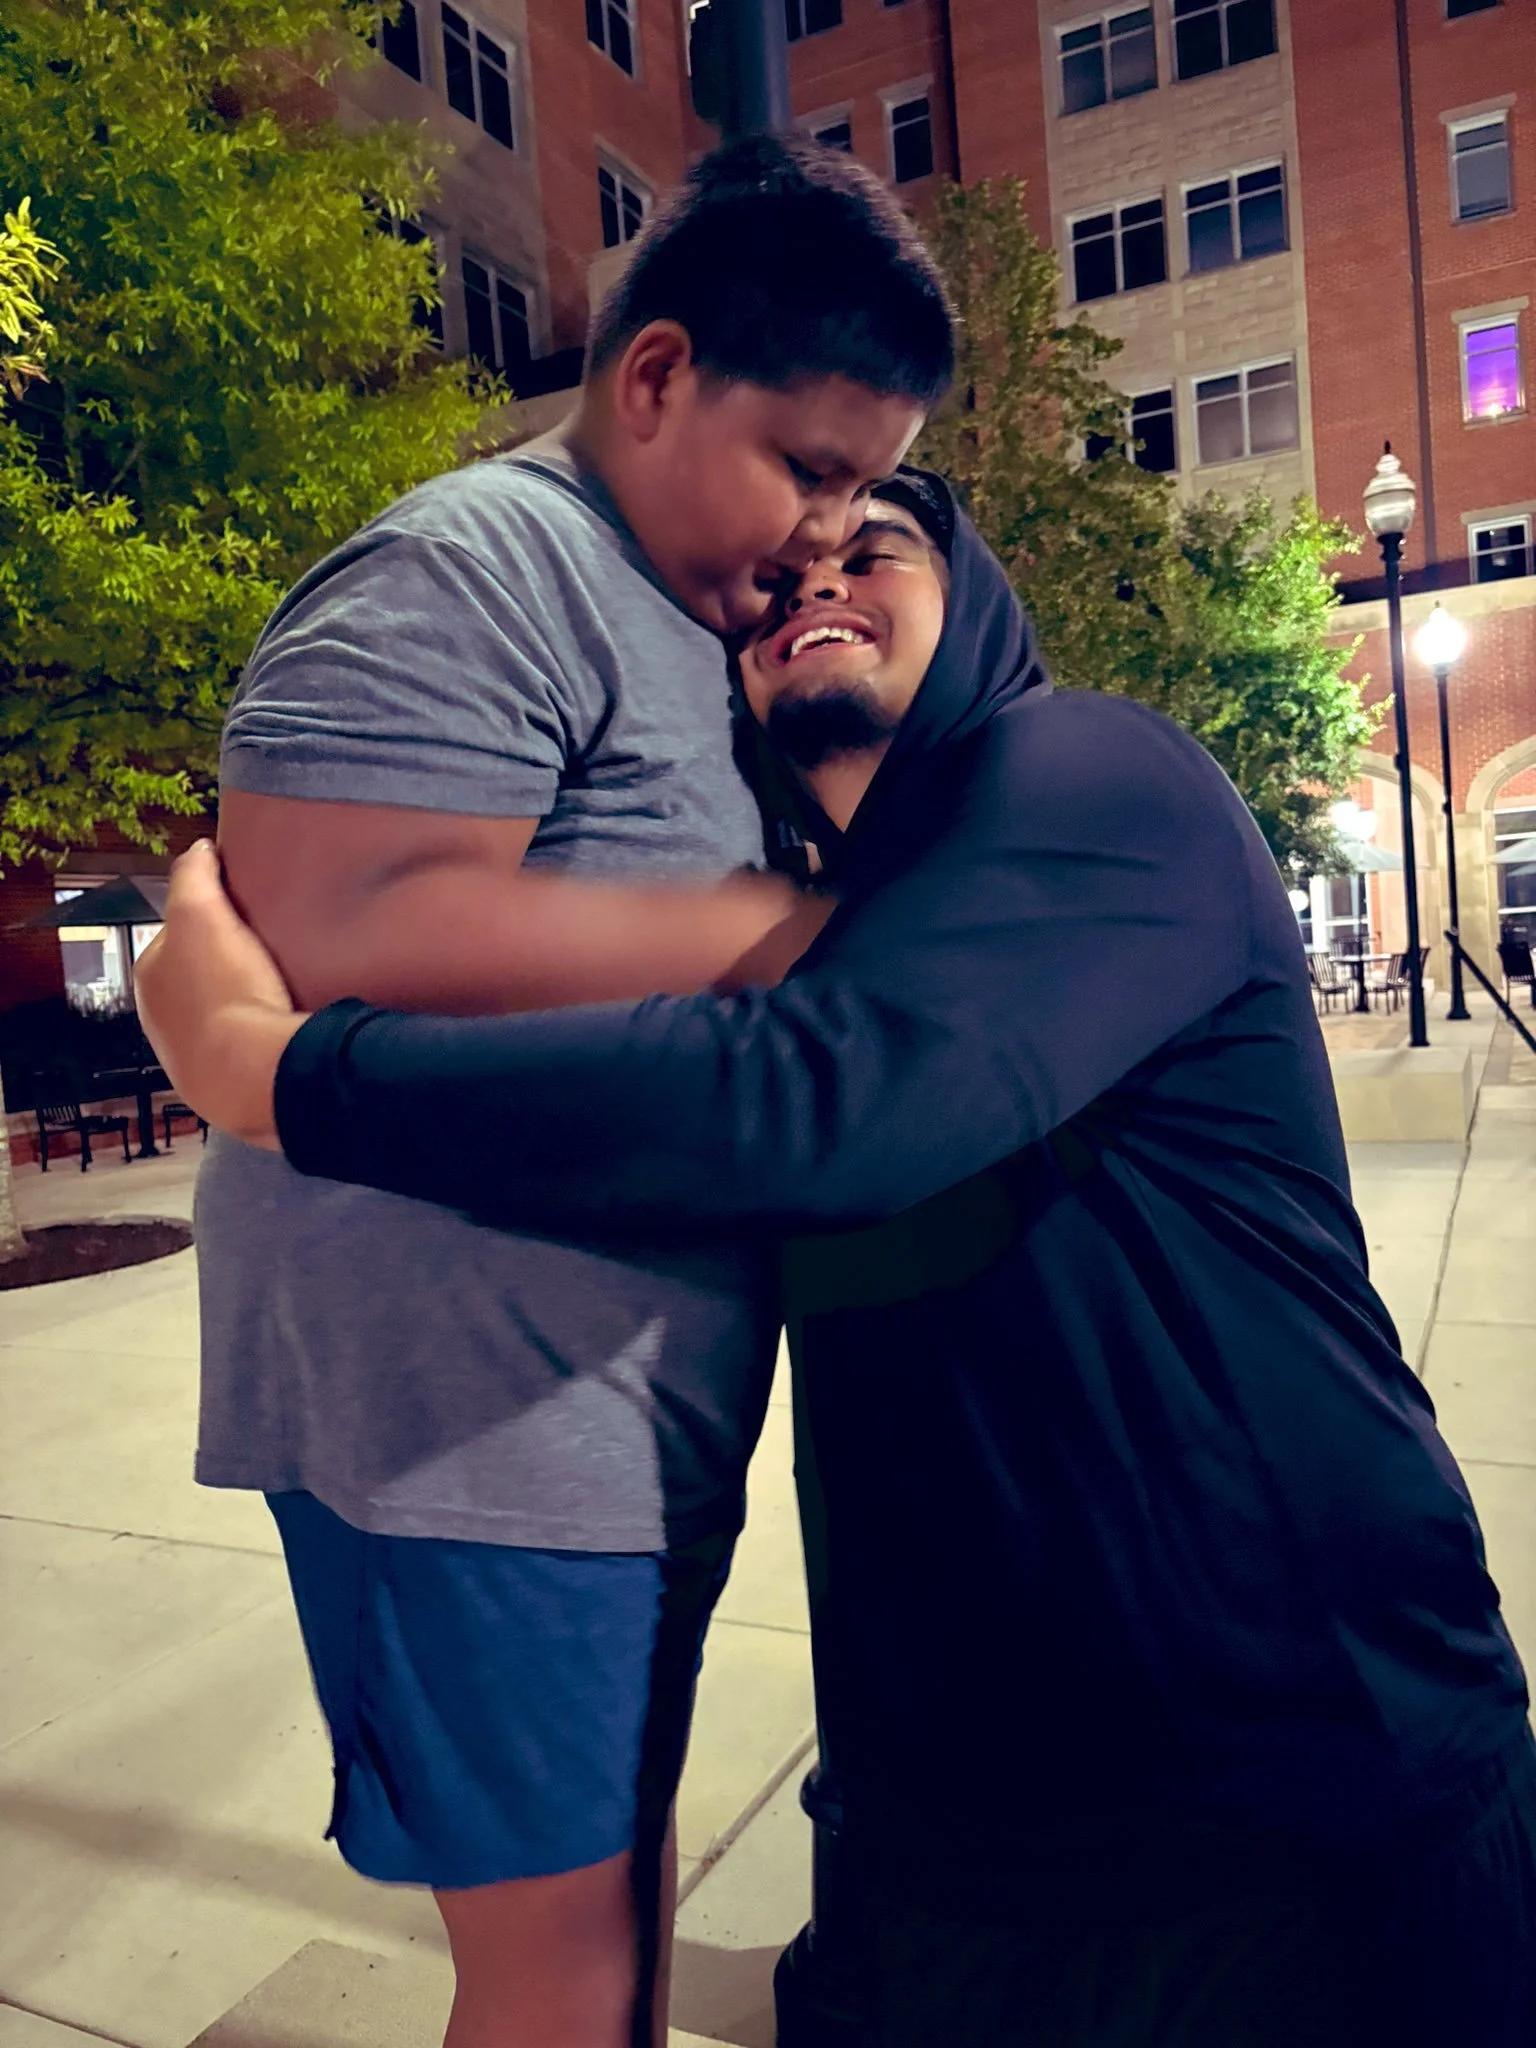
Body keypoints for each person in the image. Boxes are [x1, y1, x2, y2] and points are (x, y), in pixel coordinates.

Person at [140, 475, 1536, 2048]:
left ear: (979, 605)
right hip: (948, 1848)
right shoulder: (833, 921)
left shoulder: (1094, 774)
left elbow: (826, 1103)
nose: (817, 577)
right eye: (773, 578)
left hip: (1302, 1786)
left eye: (873, 548)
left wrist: (278, 1073)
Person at [188, 132, 953, 2048]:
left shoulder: (691, 623)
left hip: (605, 1414)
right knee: (563, 1980)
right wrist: (784, 928)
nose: (820, 529)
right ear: (657, 374)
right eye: (810, 465)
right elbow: (344, 920)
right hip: (466, 1411)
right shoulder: (476, 563)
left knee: (603, 1921)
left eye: (865, 485)